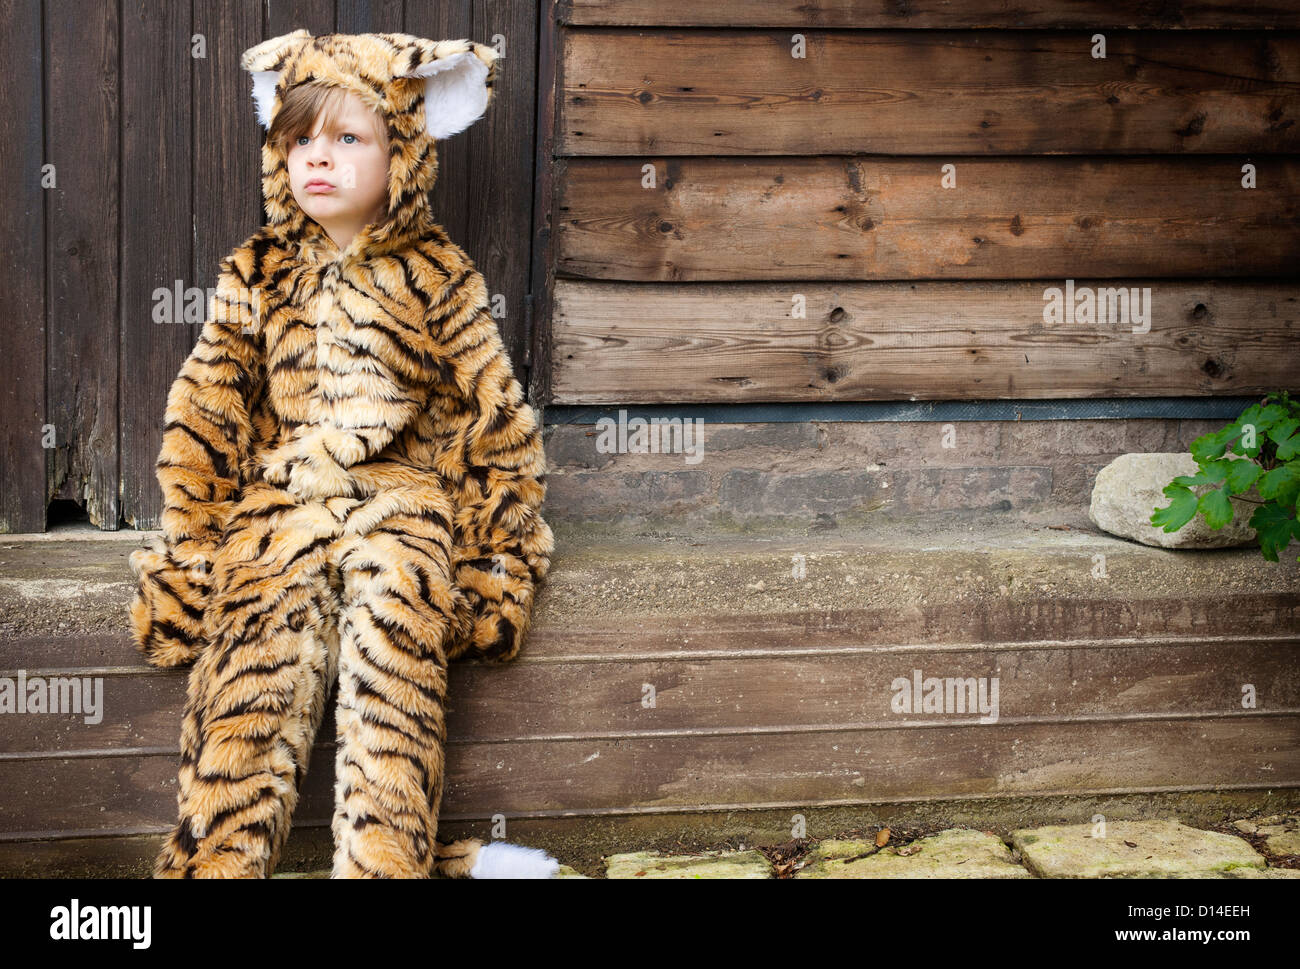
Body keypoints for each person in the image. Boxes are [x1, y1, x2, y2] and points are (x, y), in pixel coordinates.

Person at [127, 30, 556, 878]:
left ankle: (389, 860)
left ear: (404, 151)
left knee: (398, 627)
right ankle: (217, 860)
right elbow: (205, 416)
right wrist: (192, 551)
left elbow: (493, 423)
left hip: (405, 500)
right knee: (255, 639)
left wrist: (498, 560)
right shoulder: (255, 274)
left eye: (348, 138)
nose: (316, 158)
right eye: (299, 140)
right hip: (282, 500)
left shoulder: (442, 277)